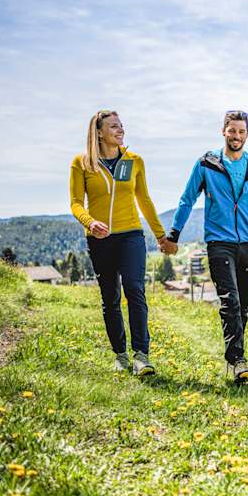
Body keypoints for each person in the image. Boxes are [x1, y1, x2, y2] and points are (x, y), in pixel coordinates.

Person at [165, 110, 248, 384]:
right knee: (229, 301)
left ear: (247, 135)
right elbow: (186, 199)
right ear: (223, 131)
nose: (236, 136)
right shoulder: (207, 163)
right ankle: (238, 360)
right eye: (232, 131)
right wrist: (174, 234)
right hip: (219, 242)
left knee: (241, 306)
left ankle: (236, 357)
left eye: (241, 132)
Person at [70, 110, 172, 376]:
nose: (120, 130)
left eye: (121, 125)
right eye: (113, 126)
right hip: (100, 239)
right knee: (110, 297)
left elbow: (144, 199)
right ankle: (121, 354)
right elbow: (76, 203)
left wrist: (161, 235)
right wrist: (90, 222)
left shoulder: (134, 160)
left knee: (135, 290)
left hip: (131, 235)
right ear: (99, 132)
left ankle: (141, 355)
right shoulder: (82, 163)